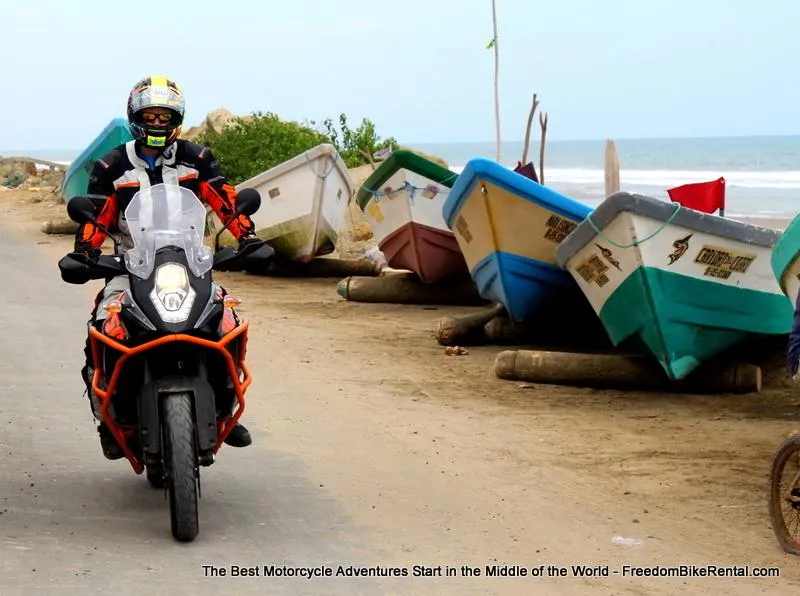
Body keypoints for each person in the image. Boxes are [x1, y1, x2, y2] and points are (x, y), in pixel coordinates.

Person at [74, 75, 260, 459]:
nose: (157, 124)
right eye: (150, 116)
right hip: (132, 264)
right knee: (100, 328)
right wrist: (85, 254)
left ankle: (225, 405)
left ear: (176, 118)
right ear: (135, 117)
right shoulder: (111, 166)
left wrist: (248, 238)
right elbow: (96, 216)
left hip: (190, 260)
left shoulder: (197, 158)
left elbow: (225, 202)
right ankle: (106, 420)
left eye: (165, 116)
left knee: (225, 318)